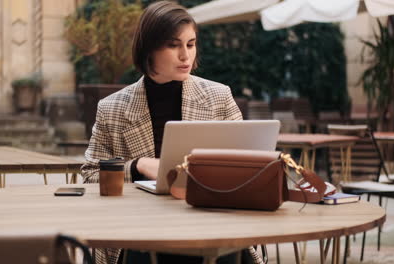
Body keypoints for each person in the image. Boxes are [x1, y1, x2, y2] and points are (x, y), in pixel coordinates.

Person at [81, 1, 262, 264]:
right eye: (173, 45)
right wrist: (137, 166)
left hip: (211, 224)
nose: (185, 56)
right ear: (149, 50)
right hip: (139, 232)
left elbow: (251, 166)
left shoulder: (217, 97)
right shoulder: (112, 108)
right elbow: (89, 176)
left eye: (190, 44)